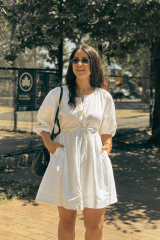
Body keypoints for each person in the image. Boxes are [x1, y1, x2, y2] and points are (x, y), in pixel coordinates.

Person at [33, 45, 117, 240]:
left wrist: (107, 146)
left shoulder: (104, 97)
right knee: (67, 220)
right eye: (75, 60)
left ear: (93, 63)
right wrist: (49, 144)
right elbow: (42, 124)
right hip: (66, 160)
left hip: (94, 164)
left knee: (95, 225)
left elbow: (107, 131)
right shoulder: (58, 94)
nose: (79, 64)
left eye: (85, 60)